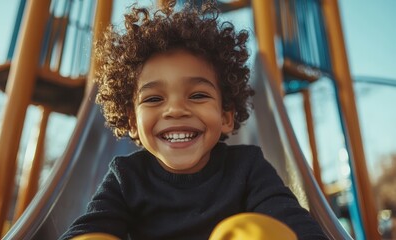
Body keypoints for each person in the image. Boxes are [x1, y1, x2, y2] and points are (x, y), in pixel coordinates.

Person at [60, 1, 328, 239]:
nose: (175, 110)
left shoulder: (247, 168)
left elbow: (296, 225)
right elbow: (89, 229)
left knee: (255, 230)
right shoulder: (126, 177)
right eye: (154, 99)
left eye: (198, 95)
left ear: (226, 117)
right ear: (132, 122)